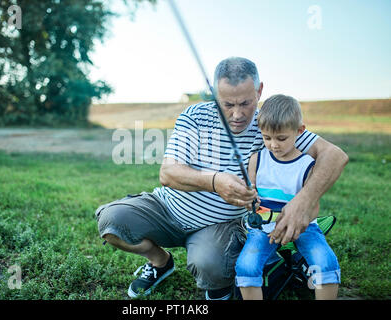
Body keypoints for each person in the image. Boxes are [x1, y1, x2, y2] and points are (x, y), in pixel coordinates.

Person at [95, 57, 348, 300]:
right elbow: (168, 173)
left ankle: (219, 282)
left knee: (209, 265)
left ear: (259, 91)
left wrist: (304, 201)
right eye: (228, 104)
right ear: (215, 94)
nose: (237, 114)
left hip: (218, 226)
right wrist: (215, 181)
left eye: (246, 103)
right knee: (112, 223)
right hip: (168, 209)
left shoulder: (270, 126)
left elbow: (334, 155)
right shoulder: (194, 116)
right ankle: (160, 262)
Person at [234, 94, 341, 300]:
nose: (274, 145)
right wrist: (250, 200)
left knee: (325, 262)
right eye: (267, 138)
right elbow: (252, 197)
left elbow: (312, 207)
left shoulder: (307, 165)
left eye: (281, 138)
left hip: (302, 228)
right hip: (263, 227)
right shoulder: (257, 160)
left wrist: (298, 223)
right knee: (246, 265)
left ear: (299, 131)